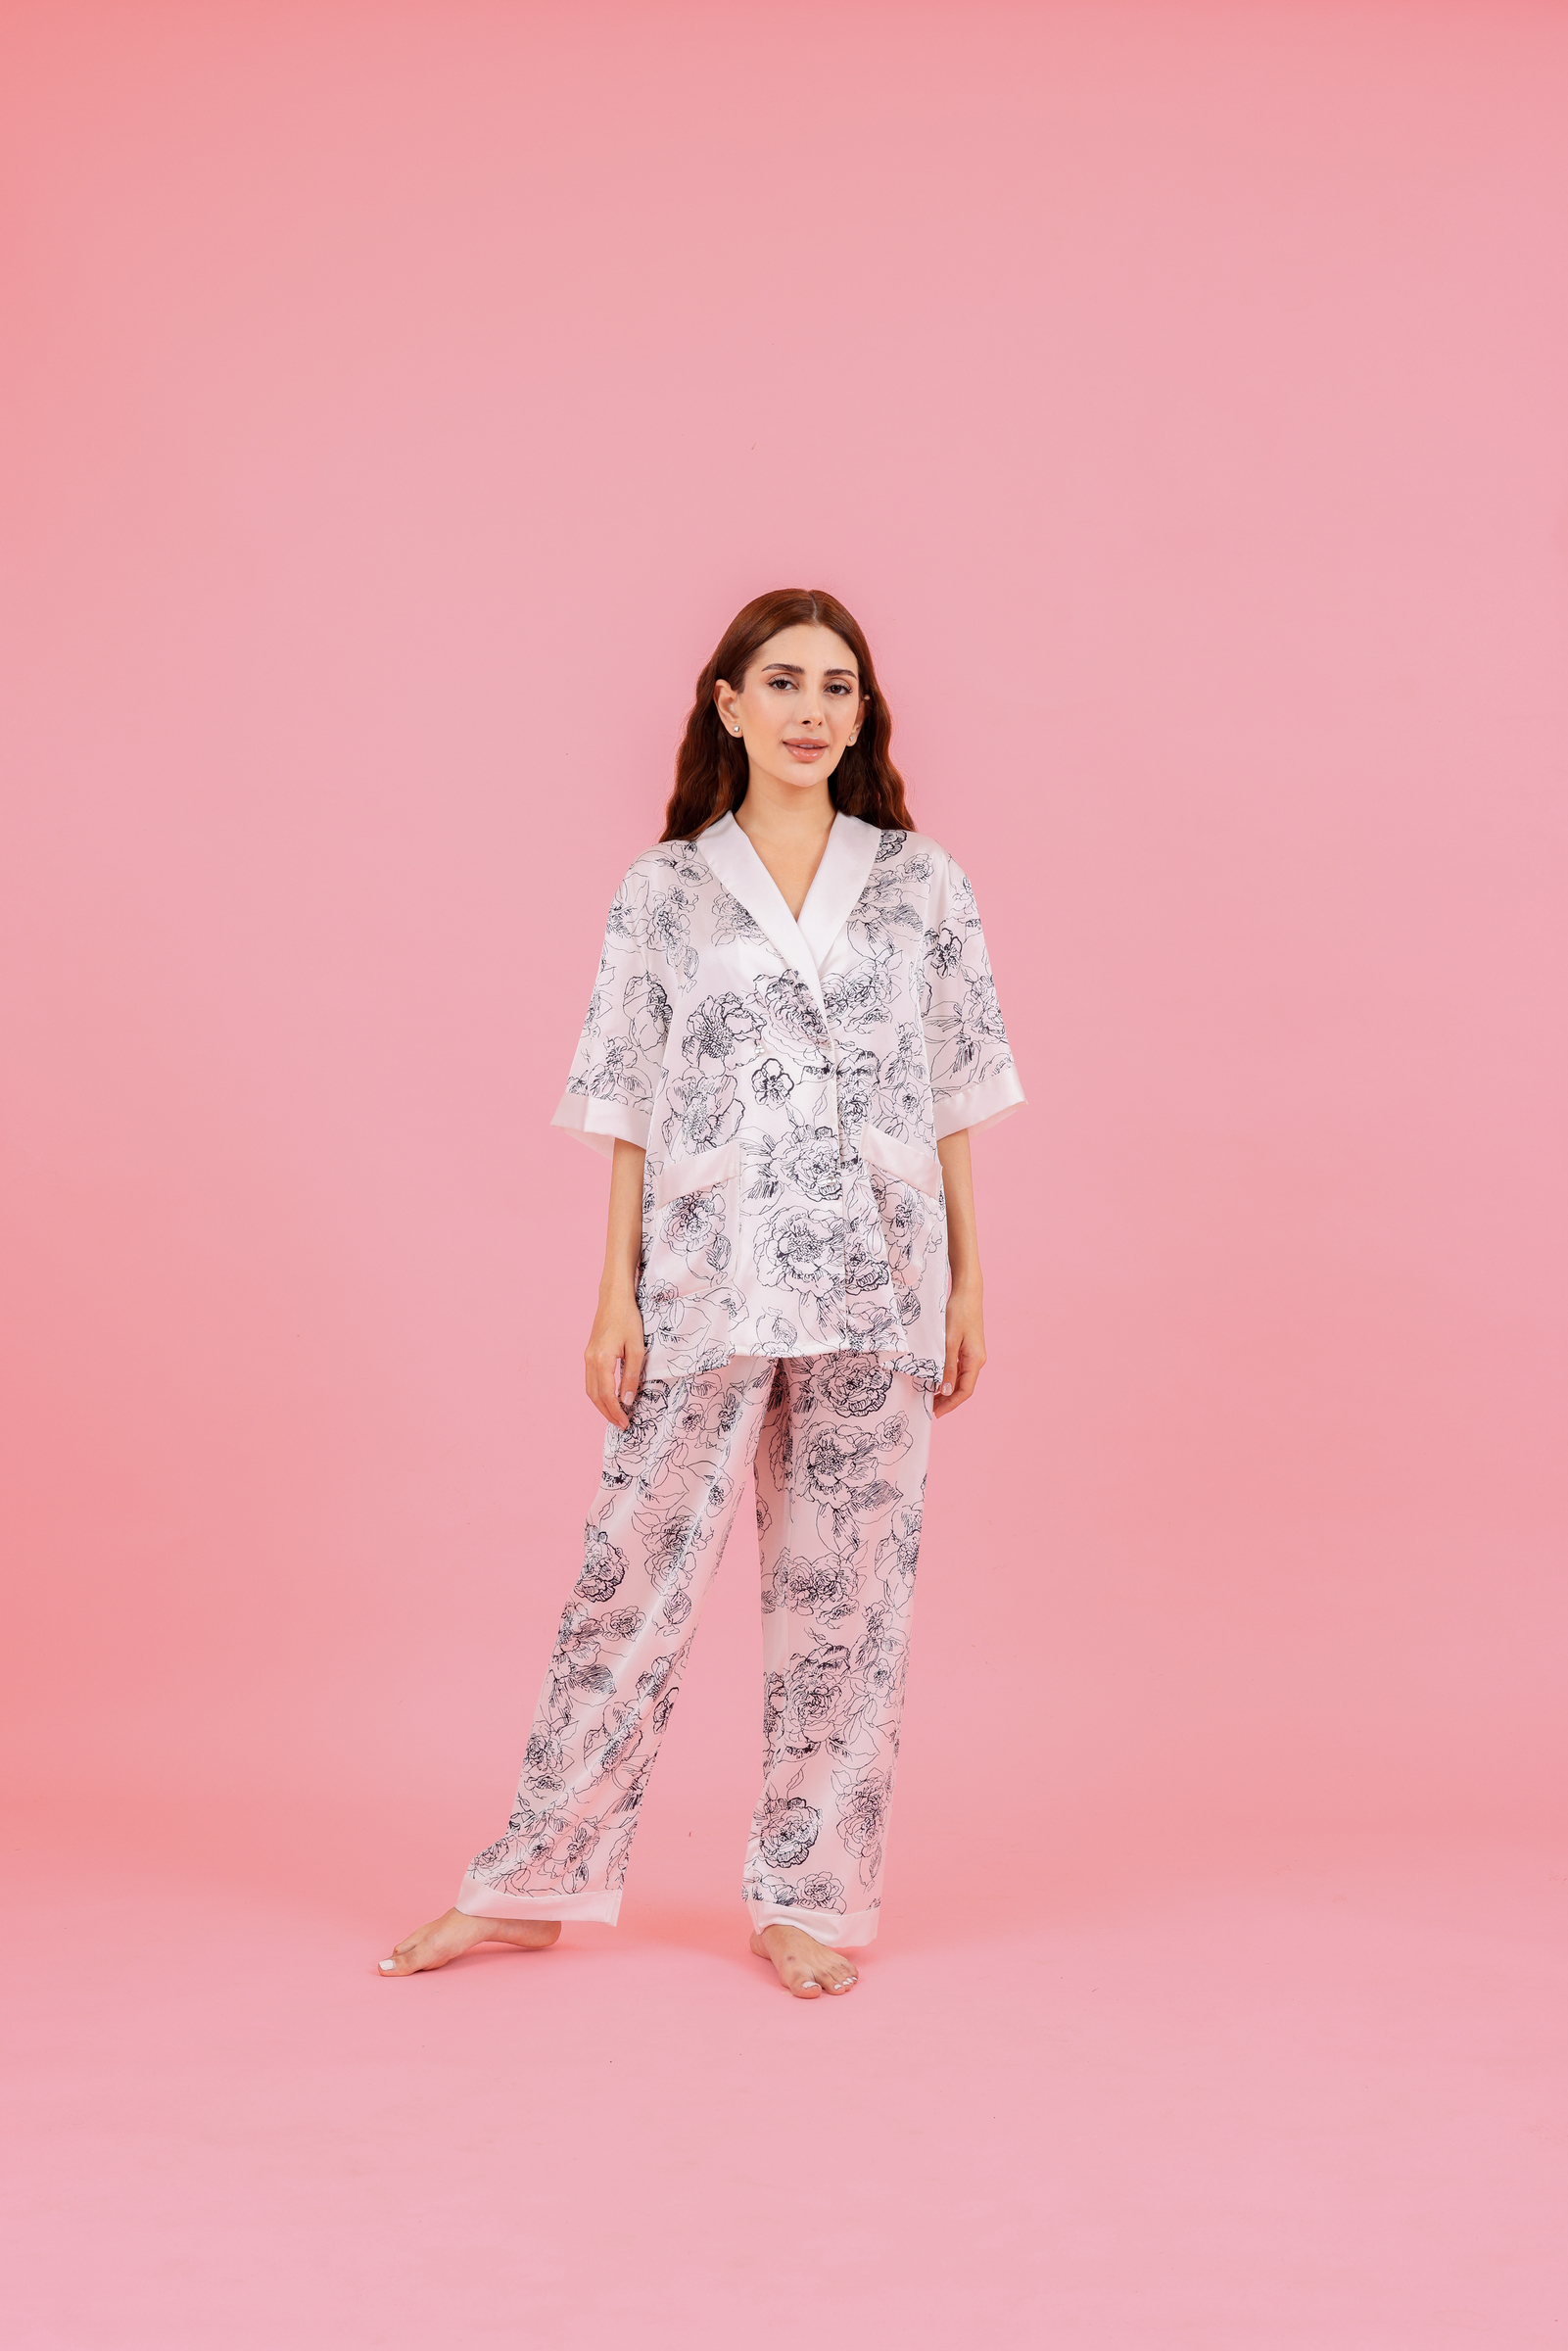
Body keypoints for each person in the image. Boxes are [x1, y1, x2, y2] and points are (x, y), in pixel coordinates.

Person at [379, 588, 1023, 1997]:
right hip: (708, 1272)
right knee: (629, 1579)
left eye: (837, 687)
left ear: (862, 714)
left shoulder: (922, 882)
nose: (811, 710)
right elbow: (628, 1102)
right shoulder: (663, 890)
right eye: (782, 681)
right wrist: (613, 1296)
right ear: (726, 704)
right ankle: (532, 1880)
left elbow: (954, 1091)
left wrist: (972, 1282)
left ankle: (809, 1900)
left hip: (880, 1278)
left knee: (848, 1603)